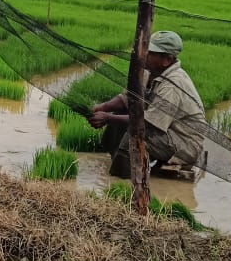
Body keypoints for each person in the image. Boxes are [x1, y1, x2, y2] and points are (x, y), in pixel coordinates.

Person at [87, 30, 206, 178]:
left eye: (150, 53)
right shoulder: (150, 71)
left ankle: (122, 180)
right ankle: (117, 162)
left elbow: (148, 123)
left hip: (183, 144)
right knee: (119, 116)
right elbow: (128, 98)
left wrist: (107, 118)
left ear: (167, 60)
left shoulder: (173, 85)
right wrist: (103, 107)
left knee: (134, 134)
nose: (144, 55)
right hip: (166, 132)